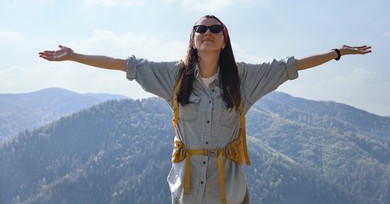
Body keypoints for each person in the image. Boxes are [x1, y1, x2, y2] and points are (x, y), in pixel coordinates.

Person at [39, 15, 371, 204]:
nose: (207, 33)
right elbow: (125, 65)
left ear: (224, 40)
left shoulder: (243, 78)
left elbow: (290, 66)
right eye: (201, 29)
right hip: (186, 187)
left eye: (215, 29)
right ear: (193, 39)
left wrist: (337, 53)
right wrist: (74, 55)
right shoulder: (173, 76)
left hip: (227, 188)